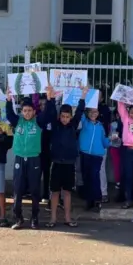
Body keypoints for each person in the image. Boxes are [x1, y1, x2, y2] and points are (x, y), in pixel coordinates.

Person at [6, 88, 54, 230]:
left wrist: (50, 99)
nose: (27, 113)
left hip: (34, 159)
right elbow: (9, 114)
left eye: (29, 111)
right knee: (18, 189)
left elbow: (48, 114)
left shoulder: (38, 122)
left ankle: (34, 218)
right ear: (21, 112)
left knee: (34, 190)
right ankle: (19, 218)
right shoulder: (18, 121)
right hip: (20, 159)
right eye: (24, 111)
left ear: (34, 111)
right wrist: (9, 100)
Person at [46, 87, 86, 227]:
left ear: (70, 117)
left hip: (69, 163)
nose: (65, 119)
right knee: (55, 192)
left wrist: (83, 97)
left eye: (67, 117)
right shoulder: (55, 125)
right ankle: (53, 219)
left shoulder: (73, 125)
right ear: (59, 116)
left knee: (67, 192)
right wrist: (50, 98)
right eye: (62, 116)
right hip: (56, 163)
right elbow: (50, 112)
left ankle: (68, 218)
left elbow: (80, 112)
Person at [80, 104, 112, 213]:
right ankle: (89, 201)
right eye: (91, 112)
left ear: (98, 113)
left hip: (97, 156)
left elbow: (104, 142)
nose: (93, 114)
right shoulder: (85, 122)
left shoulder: (100, 126)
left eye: (95, 112)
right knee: (86, 178)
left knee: (94, 177)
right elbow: (80, 112)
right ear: (87, 113)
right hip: (85, 154)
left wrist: (111, 140)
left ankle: (97, 200)